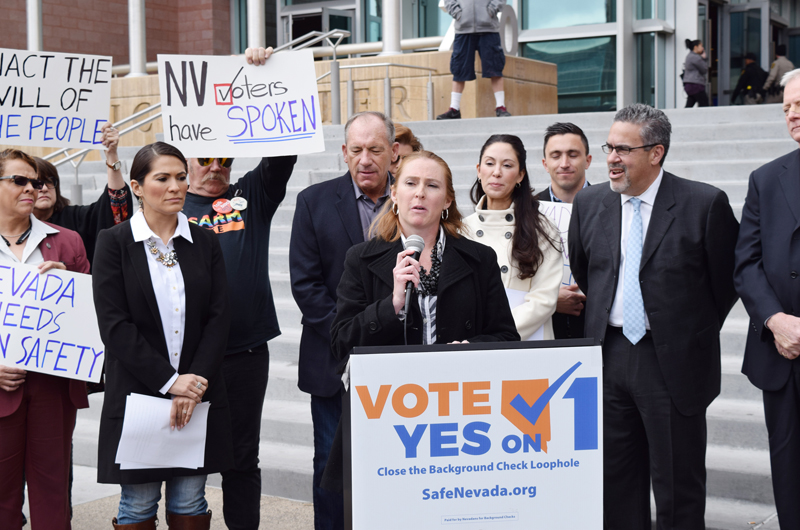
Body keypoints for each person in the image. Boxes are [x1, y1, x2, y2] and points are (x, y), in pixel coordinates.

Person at [568, 103, 739, 530]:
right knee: (616, 482)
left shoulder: (703, 204)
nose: (610, 158)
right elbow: (586, 267)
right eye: (609, 146)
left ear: (656, 153)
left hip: (672, 365)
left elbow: (726, 284)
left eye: (623, 149)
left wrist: (683, 333)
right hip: (608, 359)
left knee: (678, 486)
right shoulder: (590, 203)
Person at [179, 46, 297, 530]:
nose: (215, 166)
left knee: (242, 458)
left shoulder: (250, 196)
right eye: (205, 157)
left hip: (247, 352)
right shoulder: (167, 204)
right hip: (187, 356)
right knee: (187, 460)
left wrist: (264, 74)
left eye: (224, 157)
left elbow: (284, 147)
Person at [92, 142, 233, 529]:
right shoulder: (114, 242)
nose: (176, 186)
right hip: (139, 394)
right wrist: (171, 382)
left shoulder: (205, 241)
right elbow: (114, 326)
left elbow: (219, 319)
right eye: (163, 178)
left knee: (191, 502)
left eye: (181, 177)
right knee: (138, 505)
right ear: (136, 186)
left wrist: (193, 385)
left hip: (198, 393)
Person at [290, 110, 398, 530]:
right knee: (331, 462)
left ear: (393, 152)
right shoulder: (314, 201)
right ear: (344, 152)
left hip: (398, 359)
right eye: (356, 150)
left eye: (375, 149)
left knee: (392, 461)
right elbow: (306, 284)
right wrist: (350, 335)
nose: (365, 159)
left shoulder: (413, 198)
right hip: (332, 360)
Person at [0, 148, 91, 530]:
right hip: (3, 386)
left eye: (35, 181)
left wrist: (71, 284)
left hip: (53, 384)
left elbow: (94, 311)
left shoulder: (67, 241)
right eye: (19, 180)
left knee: (52, 488)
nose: (31, 189)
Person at [734, 68, 800, 529]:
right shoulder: (765, 178)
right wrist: (775, 319)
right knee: (791, 471)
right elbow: (746, 263)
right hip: (783, 351)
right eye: (786, 108)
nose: (792, 115)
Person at [463, 134, 561, 339]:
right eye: (489, 164)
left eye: (507, 166)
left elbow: (543, 300)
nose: (496, 173)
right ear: (479, 170)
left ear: (520, 175)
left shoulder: (541, 227)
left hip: (526, 340)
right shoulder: (462, 229)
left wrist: (498, 335)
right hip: (474, 343)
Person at [34, 122, 133, 266]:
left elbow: (116, 206)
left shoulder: (77, 218)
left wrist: (111, 155)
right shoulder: (12, 228)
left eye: (49, 181)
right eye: (36, 183)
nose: (44, 188)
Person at [536, 122, 592, 339]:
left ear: (587, 160)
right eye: (556, 155)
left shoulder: (611, 206)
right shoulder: (527, 210)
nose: (564, 163)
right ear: (545, 163)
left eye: (573, 154)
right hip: (546, 328)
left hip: (596, 327)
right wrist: (550, 300)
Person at [436, 0, 511, 119]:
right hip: (463, 29)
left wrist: (491, 10)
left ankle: (500, 107)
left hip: (489, 29)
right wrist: (458, 13)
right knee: (459, 68)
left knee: (495, 68)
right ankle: (454, 108)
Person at [683, 39, 709, 108]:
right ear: (695, 47)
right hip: (696, 85)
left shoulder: (690, 56)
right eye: (701, 46)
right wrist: (704, 58)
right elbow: (704, 69)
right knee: (705, 105)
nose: (703, 48)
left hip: (690, 85)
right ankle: (704, 119)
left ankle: (683, 118)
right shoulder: (695, 57)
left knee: (689, 105)